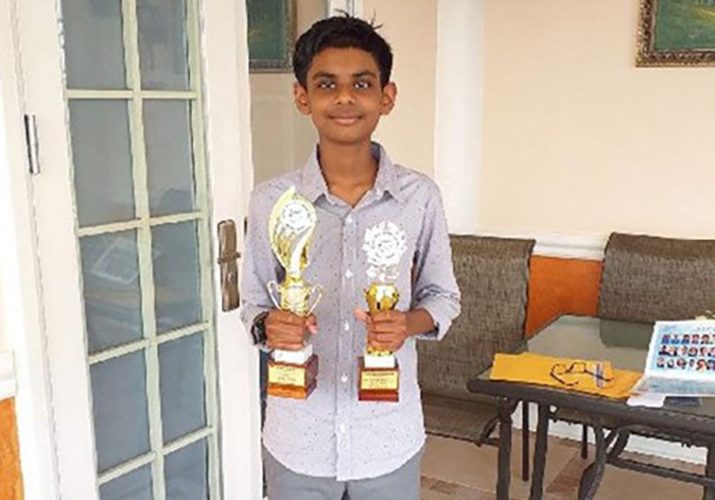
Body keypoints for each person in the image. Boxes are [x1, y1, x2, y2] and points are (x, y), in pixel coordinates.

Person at [239, 14, 461, 500]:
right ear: (303, 97)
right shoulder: (272, 201)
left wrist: (408, 323)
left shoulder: (418, 197)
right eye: (326, 84)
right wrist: (268, 325)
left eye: (361, 83)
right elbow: (254, 301)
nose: (344, 98)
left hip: (387, 437)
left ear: (387, 96)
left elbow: (443, 296)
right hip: (298, 438)